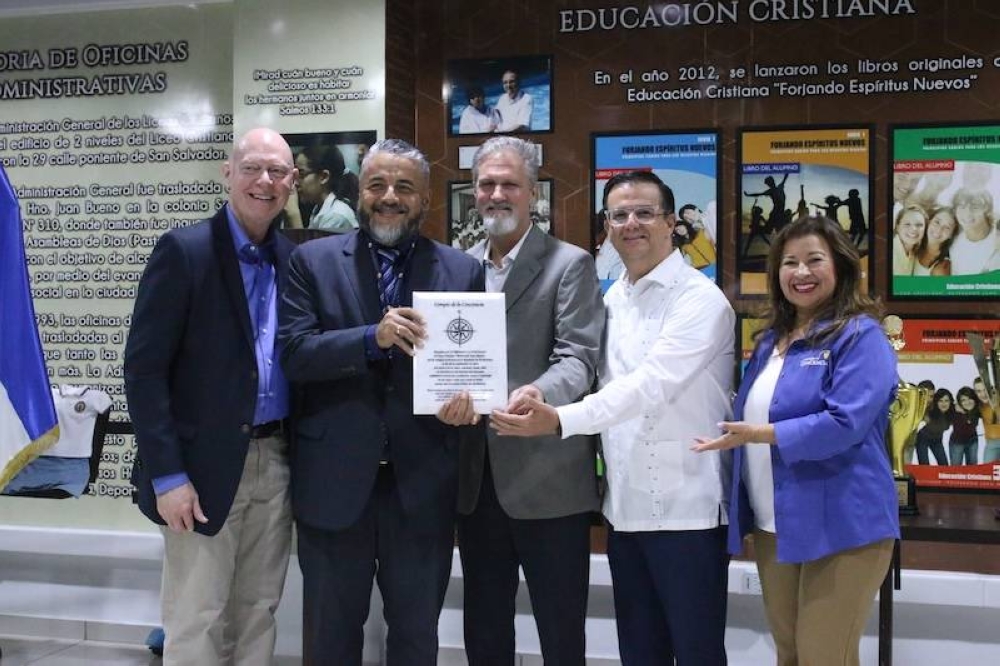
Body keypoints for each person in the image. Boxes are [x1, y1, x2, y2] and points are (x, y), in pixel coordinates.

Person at [490, 171, 735, 665]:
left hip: (687, 512)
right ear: (605, 226)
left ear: (671, 223)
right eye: (619, 215)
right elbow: (587, 374)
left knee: (697, 653)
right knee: (638, 655)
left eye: (645, 213)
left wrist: (558, 419)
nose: (631, 224)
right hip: (625, 511)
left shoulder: (700, 299)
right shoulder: (612, 299)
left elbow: (648, 387)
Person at [278, 139, 483, 666]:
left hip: (422, 485)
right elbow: (295, 355)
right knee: (330, 639)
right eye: (377, 185)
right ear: (360, 191)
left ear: (426, 199)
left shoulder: (462, 270)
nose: (389, 197)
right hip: (334, 483)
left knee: (416, 638)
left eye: (404, 187)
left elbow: (473, 368)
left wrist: (468, 403)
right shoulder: (311, 261)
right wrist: (372, 338)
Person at [124, 127, 297, 665]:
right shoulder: (184, 251)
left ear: (291, 183)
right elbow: (144, 371)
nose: (264, 181)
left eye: (276, 172)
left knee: (259, 610)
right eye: (252, 168)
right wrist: (167, 477)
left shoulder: (295, 262)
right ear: (228, 172)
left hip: (277, 460)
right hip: (198, 472)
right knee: (196, 616)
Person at [692, 215, 899, 666]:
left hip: (843, 525)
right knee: (790, 654)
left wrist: (764, 435)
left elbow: (845, 423)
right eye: (789, 262)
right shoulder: (771, 341)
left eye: (814, 260)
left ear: (841, 267)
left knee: (825, 656)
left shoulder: (861, 337)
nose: (801, 272)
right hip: (775, 525)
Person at [452, 136, 604, 665]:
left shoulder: (570, 264)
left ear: (533, 193)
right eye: (487, 184)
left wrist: (539, 393)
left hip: (549, 481)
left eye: (509, 184)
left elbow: (579, 358)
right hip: (477, 483)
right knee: (485, 631)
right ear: (474, 192)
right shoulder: (458, 269)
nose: (497, 194)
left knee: (561, 635)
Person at [289, 143, 358, 232]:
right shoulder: (318, 208)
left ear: (323, 177)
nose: (296, 183)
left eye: (301, 174)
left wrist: (293, 215)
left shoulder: (337, 215)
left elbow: (313, 246)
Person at [950, 188, 997, 274]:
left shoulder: (997, 238)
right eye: (962, 207)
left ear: (987, 210)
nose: (967, 213)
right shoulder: (954, 244)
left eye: (975, 207)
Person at [914, 207, 958, 276]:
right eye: (937, 222)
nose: (939, 229)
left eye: (947, 227)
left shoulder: (942, 267)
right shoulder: (913, 245)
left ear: (951, 235)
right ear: (929, 222)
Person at [915, 388, 952, 465]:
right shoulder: (931, 410)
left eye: (946, 401)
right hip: (923, 439)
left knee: (944, 465)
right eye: (940, 401)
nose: (943, 404)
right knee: (924, 465)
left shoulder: (952, 412)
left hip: (937, 440)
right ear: (936, 402)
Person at [950, 386, 982, 465]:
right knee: (955, 469)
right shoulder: (954, 409)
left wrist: (964, 412)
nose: (967, 402)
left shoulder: (977, 409)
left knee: (972, 468)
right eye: (963, 400)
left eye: (969, 398)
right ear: (959, 402)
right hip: (957, 442)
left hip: (972, 441)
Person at [892, 204, 927, 275]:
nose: (913, 229)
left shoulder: (913, 254)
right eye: (907, 224)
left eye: (919, 225)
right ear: (897, 227)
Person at [974, 377, 1000, 463]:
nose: (983, 394)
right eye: (979, 391)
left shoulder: (997, 399)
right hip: (991, 443)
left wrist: (996, 406)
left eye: (984, 390)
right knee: (987, 471)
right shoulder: (979, 405)